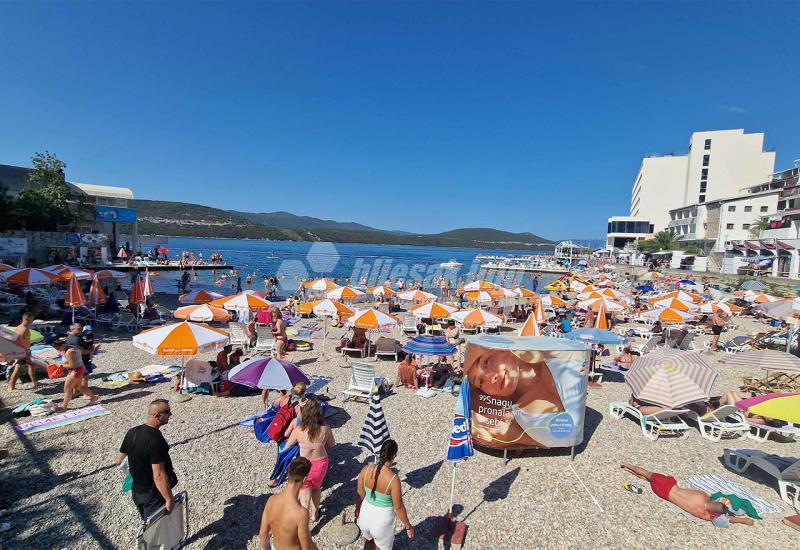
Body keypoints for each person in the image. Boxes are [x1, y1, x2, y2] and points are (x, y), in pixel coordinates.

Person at [620, 464, 754, 526]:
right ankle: (629, 471)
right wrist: (743, 520)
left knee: (648, 474)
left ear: (715, 502)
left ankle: (627, 465)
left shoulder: (703, 496)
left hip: (669, 484)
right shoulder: (703, 514)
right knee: (648, 480)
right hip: (663, 493)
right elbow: (727, 519)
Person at [115, 399, 177, 520]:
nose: (170, 414)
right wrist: (169, 499)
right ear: (158, 416)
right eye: (167, 412)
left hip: (137, 491)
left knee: (147, 525)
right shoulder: (156, 439)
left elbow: (118, 460)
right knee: (157, 530)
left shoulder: (132, 432)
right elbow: (158, 475)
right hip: (153, 494)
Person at [355, 440, 415, 549]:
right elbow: (399, 507)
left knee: (368, 544)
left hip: (365, 516)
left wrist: (357, 509)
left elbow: (360, 494)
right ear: (395, 455)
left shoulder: (366, 469)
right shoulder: (393, 479)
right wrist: (408, 526)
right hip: (382, 521)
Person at [283, 399, 335, 521]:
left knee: (304, 491)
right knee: (316, 487)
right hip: (320, 463)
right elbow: (331, 445)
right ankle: (314, 513)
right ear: (319, 413)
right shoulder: (325, 429)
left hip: (304, 466)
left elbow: (287, 447)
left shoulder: (298, 430)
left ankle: (303, 519)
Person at [259, 457, 317, 550]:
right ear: (305, 478)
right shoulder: (301, 513)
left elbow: (263, 534)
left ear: (288, 474)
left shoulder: (271, 500)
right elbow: (306, 546)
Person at [55, 337, 98, 411]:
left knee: (67, 388)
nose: (58, 350)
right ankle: (93, 398)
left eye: (58, 348)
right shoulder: (72, 347)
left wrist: (61, 366)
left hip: (75, 370)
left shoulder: (69, 352)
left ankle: (64, 407)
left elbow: (72, 365)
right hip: (80, 368)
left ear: (62, 345)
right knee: (79, 387)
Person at [8, 311, 36, 391]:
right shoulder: (24, 329)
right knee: (18, 369)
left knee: (31, 365)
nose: (32, 321)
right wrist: (26, 352)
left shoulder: (19, 327)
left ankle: (35, 382)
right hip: (23, 351)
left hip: (20, 350)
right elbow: (22, 342)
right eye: (32, 319)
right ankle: (11, 387)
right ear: (27, 319)